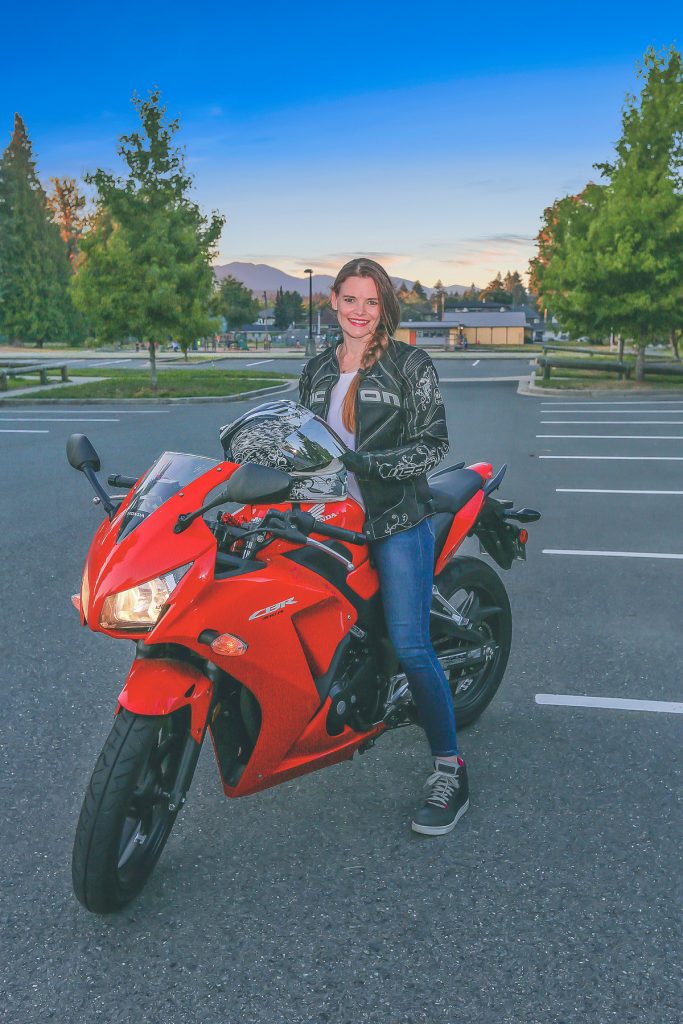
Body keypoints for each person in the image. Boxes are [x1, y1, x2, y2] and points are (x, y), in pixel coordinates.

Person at [298, 257, 468, 836]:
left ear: (385, 307)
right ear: (335, 303)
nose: (360, 312)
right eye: (350, 300)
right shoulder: (319, 368)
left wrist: (368, 464)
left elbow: (432, 444)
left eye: (371, 302)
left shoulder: (409, 364)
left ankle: (450, 768)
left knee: (411, 644)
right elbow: (301, 437)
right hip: (330, 519)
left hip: (396, 519)